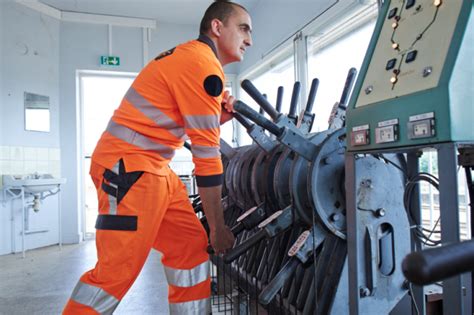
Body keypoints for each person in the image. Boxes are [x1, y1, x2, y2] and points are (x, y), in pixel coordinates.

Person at [62, 1, 252, 313]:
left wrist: (217, 118)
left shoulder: (196, 60)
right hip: (128, 169)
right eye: (243, 28)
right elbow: (206, 157)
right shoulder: (203, 66)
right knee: (116, 270)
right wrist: (218, 228)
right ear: (217, 28)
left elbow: (176, 118)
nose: (249, 39)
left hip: (154, 168)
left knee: (189, 248)